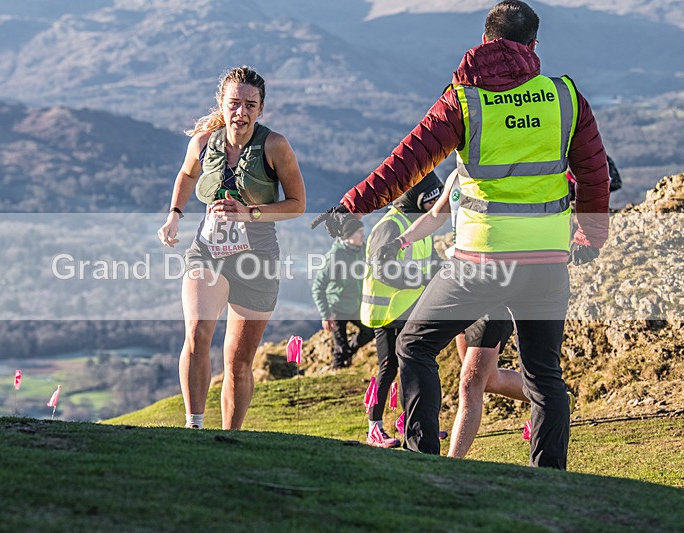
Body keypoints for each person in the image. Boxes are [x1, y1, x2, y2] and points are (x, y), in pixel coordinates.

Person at [314, 1, 610, 468]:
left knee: (414, 346)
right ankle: (550, 480)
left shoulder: (465, 99)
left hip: (481, 262)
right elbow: (594, 173)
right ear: (534, 46)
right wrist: (591, 237)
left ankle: (422, 460)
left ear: (487, 41)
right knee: (544, 375)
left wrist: (351, 206)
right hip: (547, 263)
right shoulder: (565, 96)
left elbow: (407, 162)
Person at [157, 66, 306, 430]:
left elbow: (298, 204)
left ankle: (230, 439)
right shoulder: (203, 142)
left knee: (238, 361)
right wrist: (175, 215)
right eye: (234, 103)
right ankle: (193, 426)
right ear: (221, 105)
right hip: (207, 249)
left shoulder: (275, 146)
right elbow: (187, 174)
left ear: (261, 109)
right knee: (197, 334)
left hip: (257, 258)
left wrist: (249, 212)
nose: (241, 112)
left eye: (249, 105)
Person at [381, 170, 529, 458]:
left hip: (492, 287)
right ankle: (550, 398)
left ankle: (452, 462)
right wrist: (399, 242)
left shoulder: (504, 173)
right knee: (488, 380)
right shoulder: (456, 176)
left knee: (470, 383)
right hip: (460, 281)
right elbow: (436, 215)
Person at [360, 173, 443, 448]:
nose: (435, 206)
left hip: (410, 309)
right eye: (431, 199)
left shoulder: (419, 224)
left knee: (412, 364)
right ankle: (374, 427)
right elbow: (381, 269)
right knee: (388, 368)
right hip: (386, 313)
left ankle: (411, 422)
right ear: (415, 198)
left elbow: (431, 260)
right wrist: (420, 279)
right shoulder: (390, 226)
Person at [311, 218, 375, 369]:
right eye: (360, 232)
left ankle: (346, 355)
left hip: (356, 306)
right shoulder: (335, 256)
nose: (363, 235)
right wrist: (325, 315)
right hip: (337, 308)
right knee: (340, 346)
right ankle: (337, 370)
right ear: (349, 236)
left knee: (369, 332)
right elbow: (317, 287)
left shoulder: (362, 250)